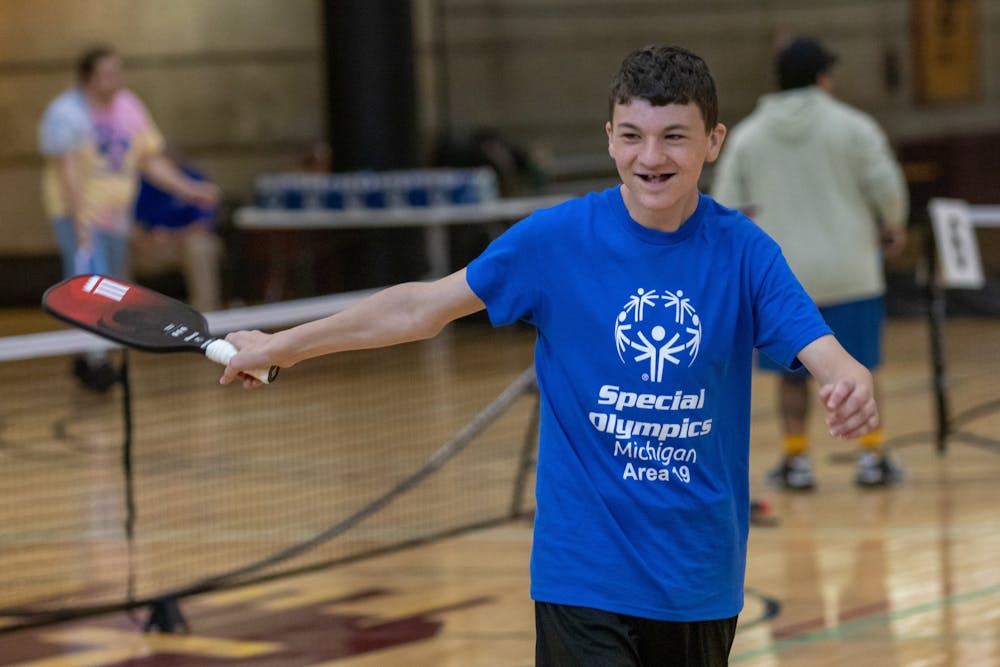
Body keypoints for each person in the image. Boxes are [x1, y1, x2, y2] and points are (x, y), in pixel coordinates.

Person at [219, 46, 879, 666]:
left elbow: (822, 349)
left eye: (675, 136)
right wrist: (283, 346)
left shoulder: (745, 252)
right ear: (610, 137)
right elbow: (418, 308)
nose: (651, 156)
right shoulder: (555, 241)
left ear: (713, 141)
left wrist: (849, 379)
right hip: (583, 574)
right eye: (632, 135)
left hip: (698, 578)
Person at [711, 36, 909, 490]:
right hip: (851, 271)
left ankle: (797, 459)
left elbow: (725, 205)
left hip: (779, 281)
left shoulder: (747, 137)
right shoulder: (854, 127)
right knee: (859, 368)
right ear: (822, 78)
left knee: (790, 377)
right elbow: (886, 185)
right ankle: (872, 455)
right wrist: (893, 225)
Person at [38, 44, 219, 391]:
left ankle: (90, 358)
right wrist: (79, 223)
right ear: (88, 78)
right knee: (88, 285)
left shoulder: (129, 107)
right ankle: (93, 362)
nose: (115, 79)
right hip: (81, 217)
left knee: (112, 289)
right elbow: (67, 172)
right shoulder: (66, 113)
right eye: (106, 74)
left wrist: (188, 188)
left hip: (116, 219)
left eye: (117, 72)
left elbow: (149, 160)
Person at [131, 157, 224, 313]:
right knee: (122, 244)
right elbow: (134, 223)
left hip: (183, 244)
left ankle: (206, 312)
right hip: (152, 247)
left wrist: (173, 235)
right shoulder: (143, 182)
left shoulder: (194, 178)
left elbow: (204, 223)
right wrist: (150, 237)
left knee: (199, 246)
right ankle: (125, 313)